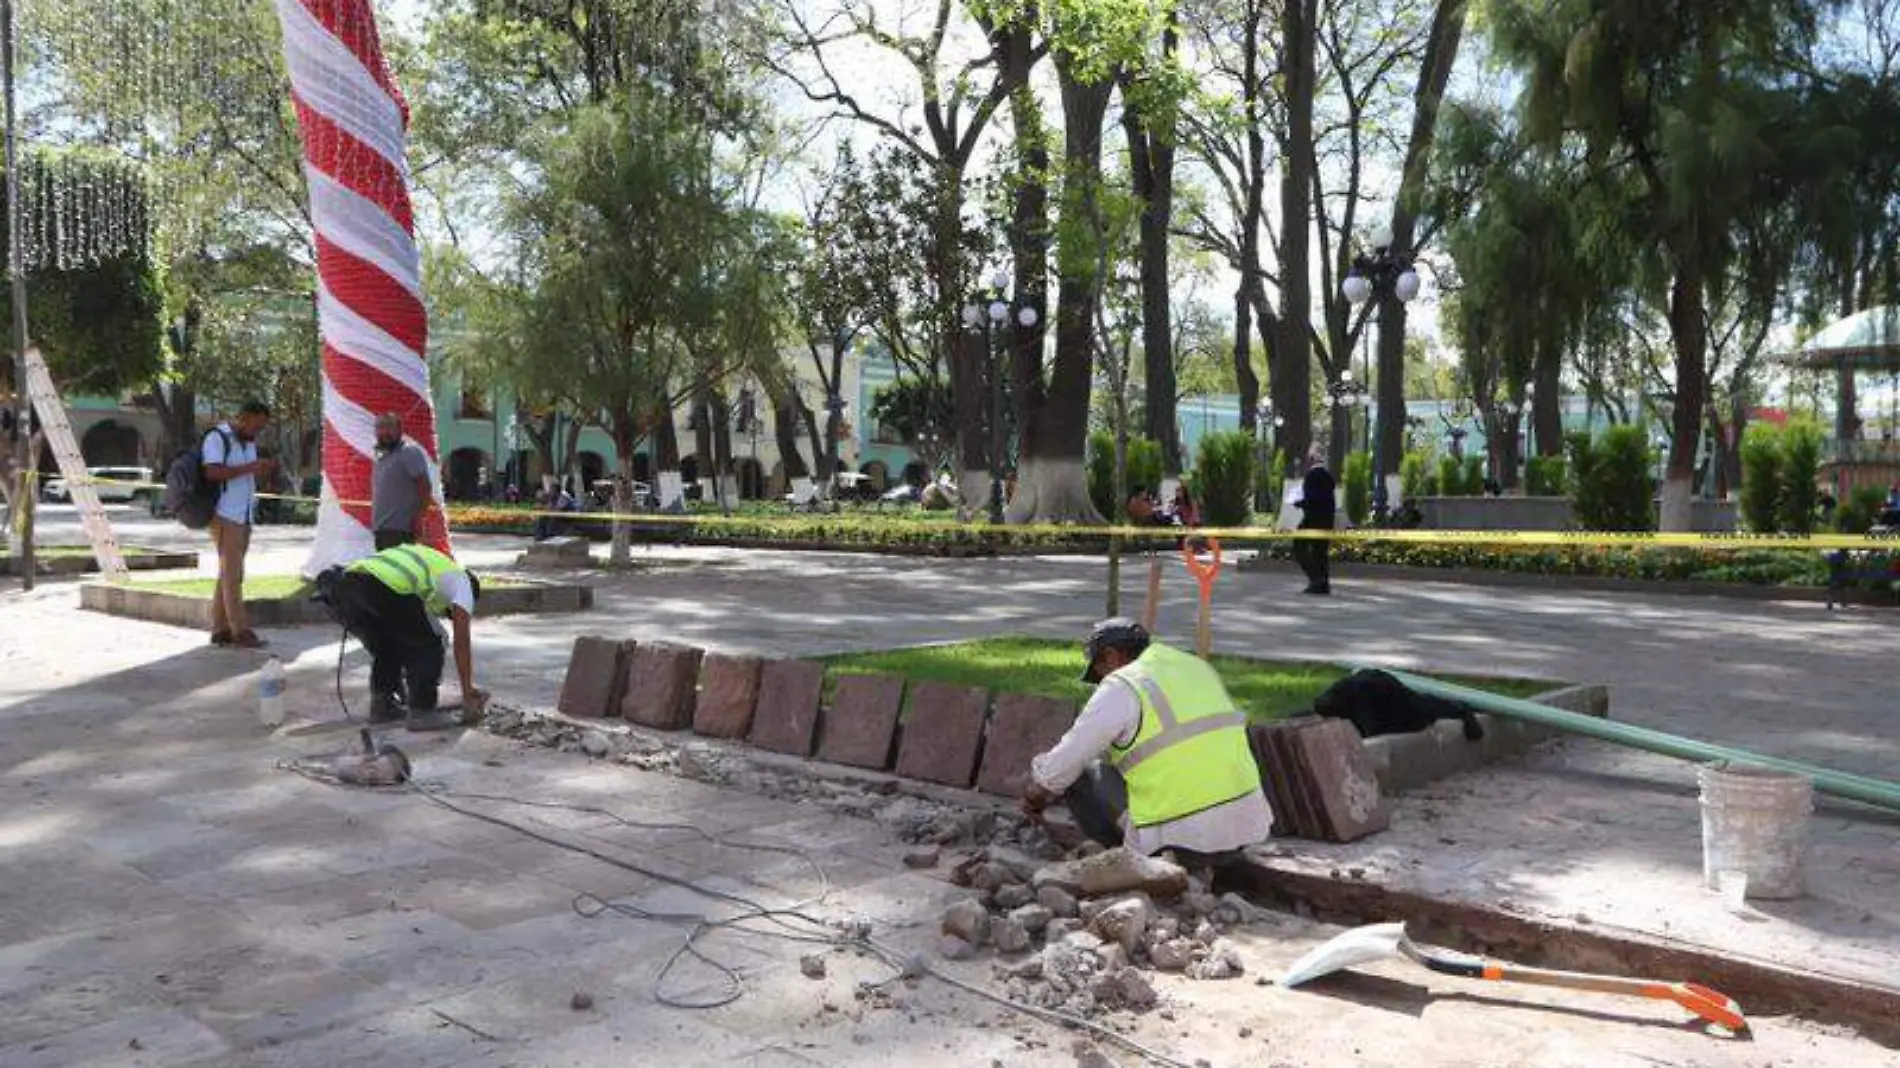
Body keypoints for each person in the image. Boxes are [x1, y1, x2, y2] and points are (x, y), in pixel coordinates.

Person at [1021, 619, 1272, 864]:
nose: (1099, 683)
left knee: (1081, 772)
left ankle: (1128, 860)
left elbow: (1067, 760)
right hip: (1246, 832)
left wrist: (1036, 795)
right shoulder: (1195, 667)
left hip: (1177, 845)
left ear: (1111, 656)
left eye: (1098, 673)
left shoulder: (1121, 686)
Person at [327, 541, 488, 727]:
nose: (445, 613)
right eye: (448, 612)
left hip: (346, 585)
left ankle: (383, 704)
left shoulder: (436, 565)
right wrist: (467, 689)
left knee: (388, 646)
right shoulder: (463, 583)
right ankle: (422, 711)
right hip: (386, 583)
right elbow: (462, 640)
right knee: (428, 645)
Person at [202, 400, 274, 648]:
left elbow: (245, 474)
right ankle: (240, 631)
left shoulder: (249, 442)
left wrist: (259, 471)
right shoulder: (218, 437)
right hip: (225, 515)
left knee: (227, 572)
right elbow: (211, 472)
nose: (257, 431)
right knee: (234, 574)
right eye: (255, 425)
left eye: (261, 427)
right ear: (243, 417)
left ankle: (219, 628)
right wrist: (249, 468)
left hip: (243, 515)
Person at [371, 413, 435, 551]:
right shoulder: (383, 458)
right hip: (383, 530)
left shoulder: (409, 452)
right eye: (380, 427)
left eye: (389, 426)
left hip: (400, 531)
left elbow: (424, 487)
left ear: (399, 429)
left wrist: (419, 518)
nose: (384, 431)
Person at [1293, 448, 1336, 595]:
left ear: (1310, 461)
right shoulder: (1328, 475)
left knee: (1298, 546)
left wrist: (1299, 503)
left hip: (1313, 519)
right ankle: (1323, 583)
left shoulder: (1312, 475)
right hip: (1327, 520)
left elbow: (1313, 499)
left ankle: (1316, 579)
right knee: (1321, 552)